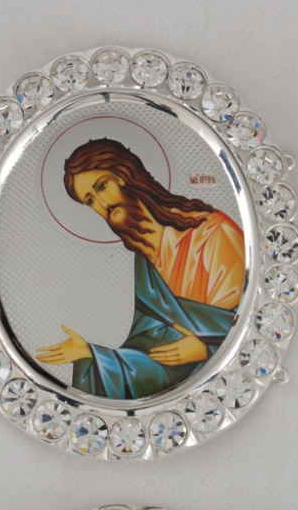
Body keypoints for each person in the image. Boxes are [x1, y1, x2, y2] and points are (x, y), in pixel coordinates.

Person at [35, 138, 246, 399]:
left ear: (125, 174)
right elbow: (149, 351)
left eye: (102, 186)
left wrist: (207, 350)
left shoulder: (213, 233)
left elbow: (243, 323)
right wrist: (92, 354)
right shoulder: (145, 259)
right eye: (90, 201)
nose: (102, 203)